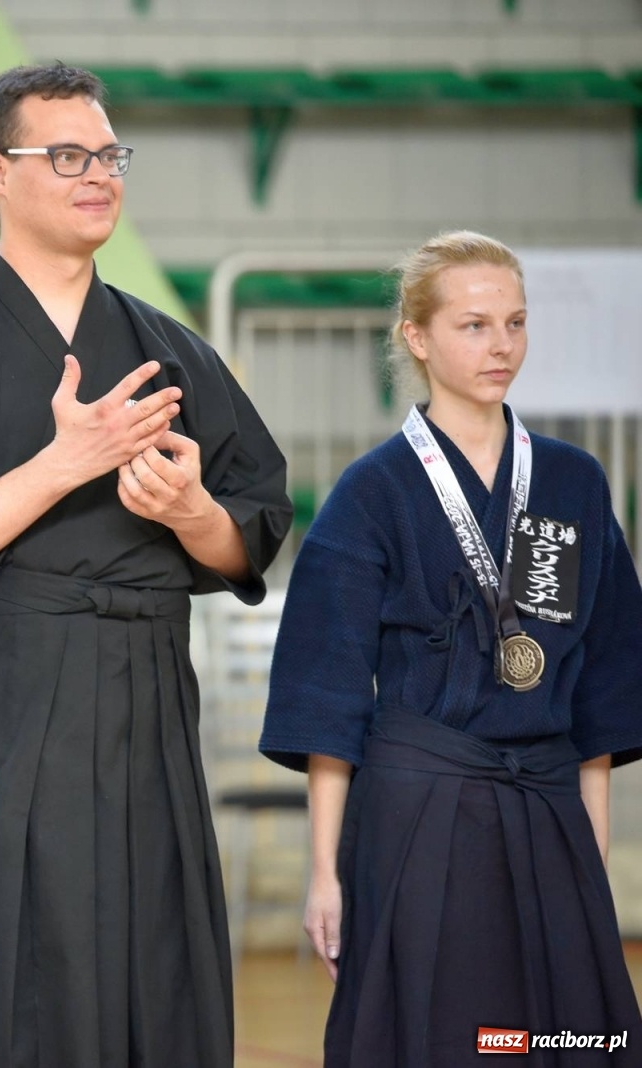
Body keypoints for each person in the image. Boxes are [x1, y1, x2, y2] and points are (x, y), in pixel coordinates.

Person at [0, 63, 291, 1067]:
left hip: (145, 691)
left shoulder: (165, 347)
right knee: (2, 973)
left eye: (108, 156)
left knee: (157, 960)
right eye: (66, 156)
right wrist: (65, 464)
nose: (98, 175)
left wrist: (191, 514)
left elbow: (256, 523)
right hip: (0, 694)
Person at [259, 231, 642, 1067]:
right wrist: (324, 874)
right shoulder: (373, 491)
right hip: (419, 814)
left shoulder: (573, 482)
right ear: (418, 337)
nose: (501, 345)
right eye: (474, 325)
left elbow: (604, 690)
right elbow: (326, 695)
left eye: (515, 323)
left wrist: (592, 851)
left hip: (548, 805)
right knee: (444, 1039)